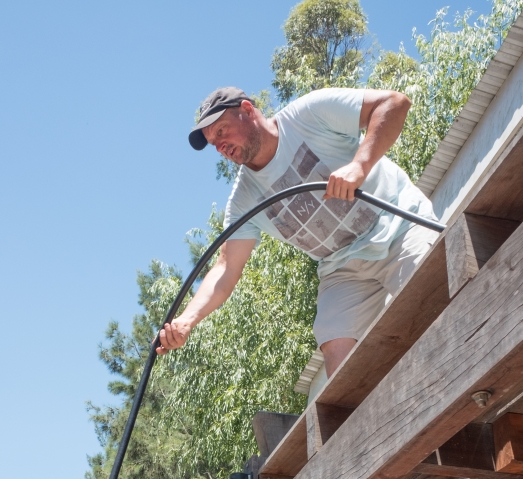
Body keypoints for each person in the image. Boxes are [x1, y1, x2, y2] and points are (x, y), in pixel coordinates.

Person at [157, 86, 438, 379]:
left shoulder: (308, 115)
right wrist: (186, 321)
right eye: (213, 143)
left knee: (429, 294)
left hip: (397, 226)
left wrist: (360, 165)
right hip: (342, 267)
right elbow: (226, 268)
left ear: (248, 110)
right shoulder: (244, 200)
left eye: (221, 131)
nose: (220, 147)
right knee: (336, 349)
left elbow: (394, 103)